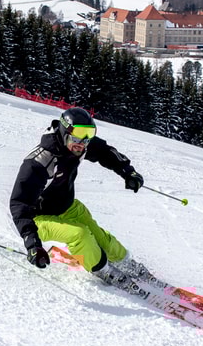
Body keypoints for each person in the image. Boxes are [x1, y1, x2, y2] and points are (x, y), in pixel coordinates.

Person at [9, 107, 149, 287]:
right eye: (78, 134)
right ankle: (103, 270)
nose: (82, 142)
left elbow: (105, 152)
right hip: (37, 218)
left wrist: (128, 172)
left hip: (66, 206)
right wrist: (33, 244)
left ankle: (127, 264)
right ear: (64, 130)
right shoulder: (41, 161)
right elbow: (19, 203)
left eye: (89, 134)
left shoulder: (79, 145)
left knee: (101, 238)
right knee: (80, 234)